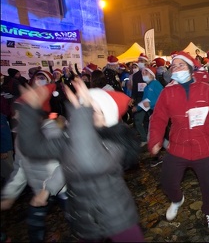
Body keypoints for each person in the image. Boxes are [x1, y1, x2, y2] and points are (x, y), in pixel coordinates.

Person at [16, 79, 144, 242]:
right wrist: (30, 109)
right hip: (85, 222)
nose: (87, 113)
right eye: (85, 107)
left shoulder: (115, 143)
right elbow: (32, 147)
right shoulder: (71, 138)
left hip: (118, 219)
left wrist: (82, 112)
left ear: (107, 118)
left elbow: (88, 161)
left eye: (93, 110)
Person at [147, 51, 209, 232]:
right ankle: (177, 199)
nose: (176, 68)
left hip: (204, 148)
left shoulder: (207, 90)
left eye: (181, 65)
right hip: (177, 148)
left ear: (190, 68)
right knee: (167, 181)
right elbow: (158, 119)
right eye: (174, 66)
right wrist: (155, 140)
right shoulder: (168, 93)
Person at [1, 109, 68, 242]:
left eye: (18, 111)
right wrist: (10, 194)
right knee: (34, 224)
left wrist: (48, 189)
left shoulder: (54, 132)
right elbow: (20, 167)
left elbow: (68, 164)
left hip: (64, 188)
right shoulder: (21, 137)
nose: (14, 115)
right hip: (39, 189)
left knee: (78, 220)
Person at [131, 66, 164, 164]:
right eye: (143, 72)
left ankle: (156, 157)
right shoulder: (147, 87)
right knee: (161, 136)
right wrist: (137, 107)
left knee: (153, 135)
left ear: (152, 74)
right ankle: (166, 152)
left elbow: (162, 97)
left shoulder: (156, 84)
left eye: (146, 72)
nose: (143, 73)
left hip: (159, 113)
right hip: (152, 113)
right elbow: (144, 102)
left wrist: (143, 106)